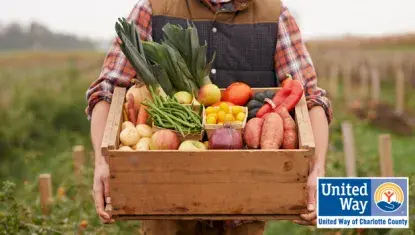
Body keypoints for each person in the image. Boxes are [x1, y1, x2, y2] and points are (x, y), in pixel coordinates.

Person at [86, 0, 332, 234]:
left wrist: (316, 169)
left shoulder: (274, 14)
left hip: (245, 205)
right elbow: (107, 90)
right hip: (167, 203)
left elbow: (310, 98)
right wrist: (102, 162)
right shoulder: (154, 7)